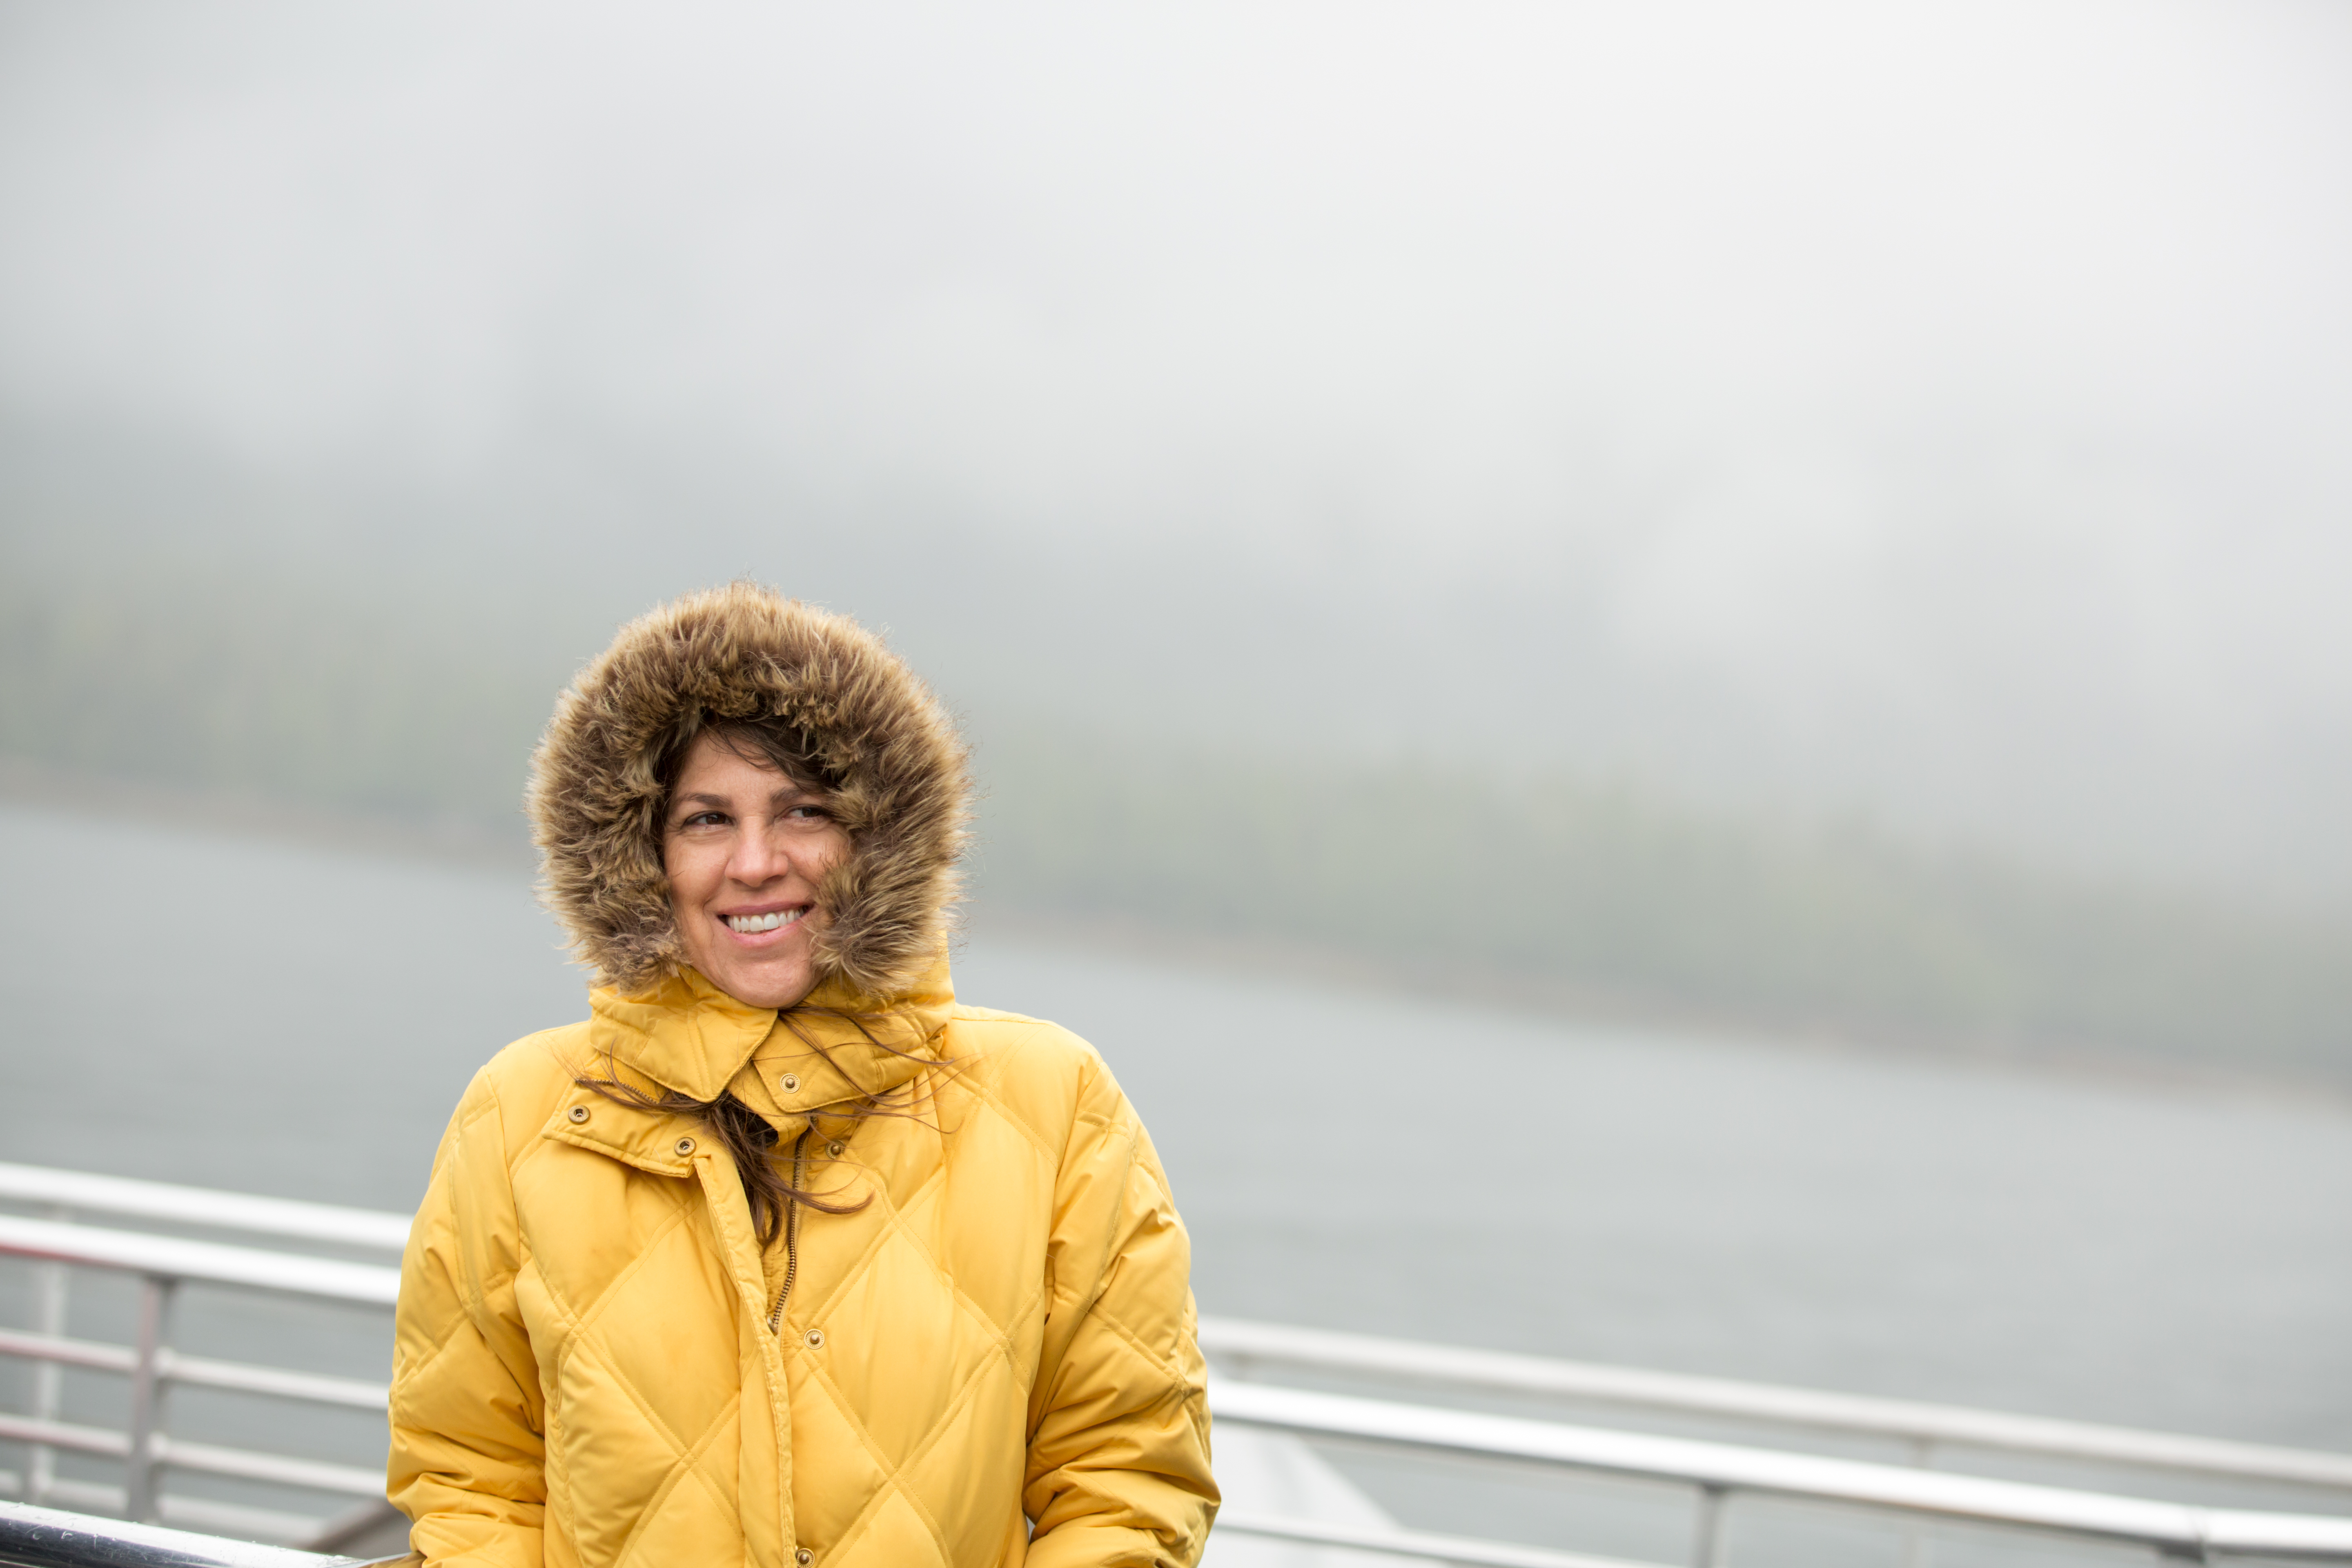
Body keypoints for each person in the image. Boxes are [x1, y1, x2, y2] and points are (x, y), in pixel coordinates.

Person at [386, 583, 1218, 1568]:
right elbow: (469, 1473)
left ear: (875, 842)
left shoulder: (1054, 1103)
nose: (754, 862)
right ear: (640, 854)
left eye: (802, 812)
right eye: (705, 819)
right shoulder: (521, 1114)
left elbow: (1127, 1480)